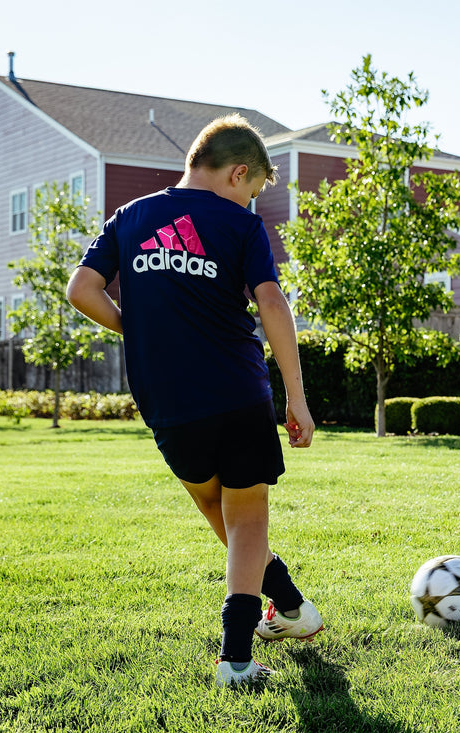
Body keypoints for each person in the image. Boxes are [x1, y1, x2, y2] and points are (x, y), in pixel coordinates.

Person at [67, 114, 322, 688]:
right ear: (238, 173)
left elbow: (80, 289)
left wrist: (136, 329)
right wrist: (297, 398)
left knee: (219, 512)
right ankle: (235, 660)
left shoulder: (129, 218)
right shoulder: (239, 224)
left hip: (166, 400)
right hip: (235, 390)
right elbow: (273, 306)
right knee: (247, 518)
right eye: (253, 191)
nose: (251, 202)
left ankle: (293, 610)